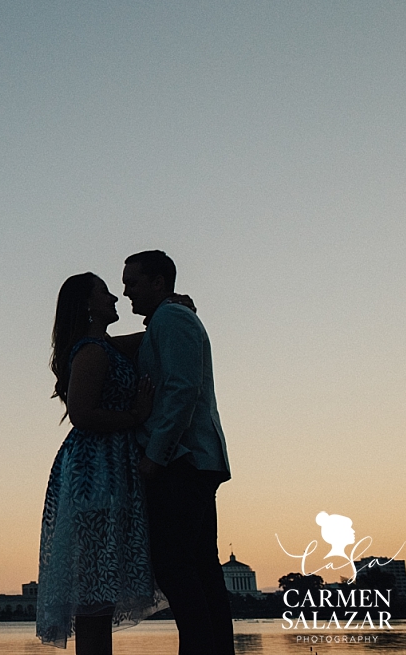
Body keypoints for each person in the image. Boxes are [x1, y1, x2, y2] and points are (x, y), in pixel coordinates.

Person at [37, 272, 165, 653]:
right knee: (93, 590)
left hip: (107, 469)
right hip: (94, 475)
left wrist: (169, 309)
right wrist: (136, 415)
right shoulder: (92, 351)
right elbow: (82, 414)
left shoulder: (102, 345)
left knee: (99, 590)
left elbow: (143, 341)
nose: (115, 298)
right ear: (89, 305)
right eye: (105, 292)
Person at [122, 250, 233, 655]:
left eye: (132, 282)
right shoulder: (167, 320)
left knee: (177, 568)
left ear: (157, 282)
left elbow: (182, 391)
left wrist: (156, 454)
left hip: (182, 461)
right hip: (192, 460)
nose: (126, 291)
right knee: (201, 570)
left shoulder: (172, 320)